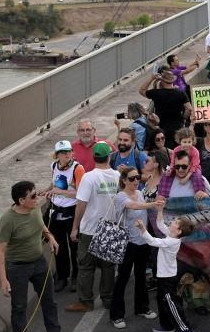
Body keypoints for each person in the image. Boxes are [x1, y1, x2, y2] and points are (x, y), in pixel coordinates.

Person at [0, 181, 61, 332]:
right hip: (17, 268)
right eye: (33, 196)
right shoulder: (8, 220)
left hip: (39, 262)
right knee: (19, 307)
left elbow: (40, 225)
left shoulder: (34, 208)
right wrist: (3, 280)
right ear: (21, 201)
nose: (37, 198)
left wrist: (51, 238)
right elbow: (1, 251)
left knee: (50, 302)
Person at [67, 141, 120, 313]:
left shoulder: (89, 177)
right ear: (109, 156)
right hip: (111, 227)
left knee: (85, 266)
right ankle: (108, 299)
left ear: (94, 157)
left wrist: (75, 228)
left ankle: (86, 301)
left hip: (90, 229)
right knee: (108, 266)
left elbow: (81, 205)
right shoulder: (118, 176)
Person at [110, 167, 160, 329]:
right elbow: (134, 206)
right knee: (122, 278)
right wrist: (153, 204)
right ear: (124, 181)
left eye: (137, 177)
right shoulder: (120, 197)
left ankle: (142, 308)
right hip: (127, 244)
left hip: (142, 242)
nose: (136, 181)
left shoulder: (139, 193)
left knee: (141, 277)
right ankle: (116, 315)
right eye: (131, 179)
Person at [133, 204, 196, 332]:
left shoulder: (171, 242)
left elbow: (152, 241)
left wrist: (142, 228)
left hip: (168, 279)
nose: (172, 223)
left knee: (171, 303)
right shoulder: (172, 235)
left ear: (178, 231)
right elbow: (160, 224)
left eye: (175, 223)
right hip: (164, 276)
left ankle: (184, 328)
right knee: (163, 302)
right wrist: (160, 210)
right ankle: (167, 326)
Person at [45, 140, 84, 293]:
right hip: (56, 211)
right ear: (57, 155)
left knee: (74, 247)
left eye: (68, 151)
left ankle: (76, 276)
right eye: (63, 152)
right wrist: (47, 190)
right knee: (58, 247)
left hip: (72, 211)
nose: (67, 154)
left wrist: (60, 192)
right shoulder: (54, 166)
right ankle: (62, 277)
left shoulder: (77, 168)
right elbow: (54, 182)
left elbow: (81, 192)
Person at [140, 67, 192, 149]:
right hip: (178, 126)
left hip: (162, 127)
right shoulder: (180, 93)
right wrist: (184, 118)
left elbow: (142, 90)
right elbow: (189, 108)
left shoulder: (156, 93)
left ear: (162, 81)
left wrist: (152, 78)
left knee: (165, 150)